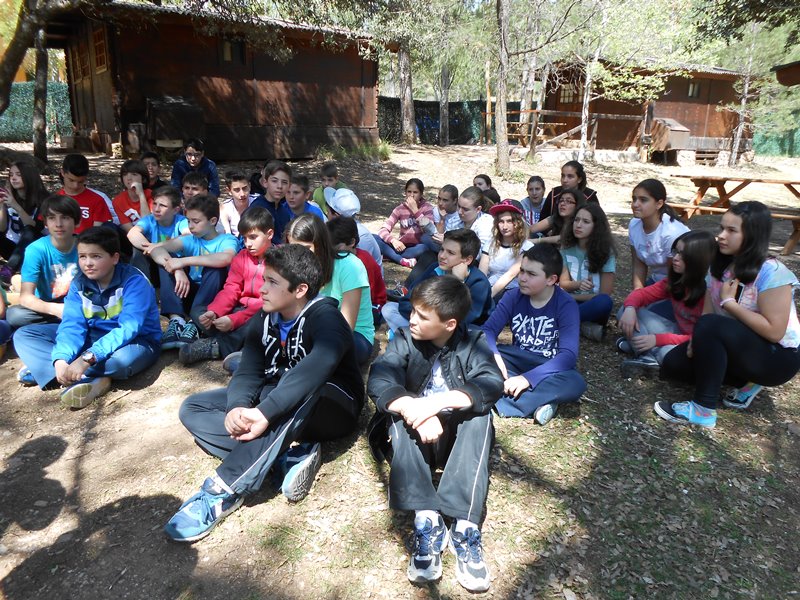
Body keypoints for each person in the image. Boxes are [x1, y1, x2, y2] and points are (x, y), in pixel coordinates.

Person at [163, 244, 364, 542]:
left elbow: (318, 367)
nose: (262, 289)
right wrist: (237, 407)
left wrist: (265, 413)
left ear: (300, 290)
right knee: (193, 408)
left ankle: (222, 491)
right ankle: (283, 458)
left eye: (272, 282)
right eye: (264, 279)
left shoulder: (326, 317)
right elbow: (249, 369)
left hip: (333, 406)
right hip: (283, 397)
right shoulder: (266, 316)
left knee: (297, 392)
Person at [367, 276, 503, 591]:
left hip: (456, 439)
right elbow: (381, 377)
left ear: (450, 324)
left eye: (422, 316)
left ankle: (465, 527)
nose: (412, 319)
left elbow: (491, 381)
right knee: (398, 416)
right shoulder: (405, 338)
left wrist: (435, 403)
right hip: (417, 439)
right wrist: (413, 409)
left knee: (481, 417)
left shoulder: (473, 341)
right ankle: (427, 519)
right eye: (413, 311)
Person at [655, 202, 800, 428]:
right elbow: (707, 312)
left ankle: (703, 410)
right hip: (738, 346)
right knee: (673, 365)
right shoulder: (719, 264)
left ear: (752, 235)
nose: (721, 236)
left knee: (711, 325)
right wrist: (695, 341)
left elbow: (774, 332)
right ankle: (745, 380)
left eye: (732, 230)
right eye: (722, 228)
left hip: (778, 358)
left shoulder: (773, 273)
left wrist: (730, 304)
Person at [13, 226, 161, 408]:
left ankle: (53, 370)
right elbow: (72, 324)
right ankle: (76, 373)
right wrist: (60, 359)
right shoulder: (79, 283)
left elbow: (128, 329)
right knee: (24, 335)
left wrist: (87, 358)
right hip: (92, 338)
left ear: (115, 258)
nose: (88, 263)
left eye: (96, 256)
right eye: (82, 256)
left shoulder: (134, 281)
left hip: (136, 341)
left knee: (122, 362)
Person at [482, 244, 587, 424]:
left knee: (575, 382)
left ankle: (499, 396)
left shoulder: (566, 304)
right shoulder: (513, 296)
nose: (522, 278)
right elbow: (489, 330)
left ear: (551, 279)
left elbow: (568, 356)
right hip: (516, 358)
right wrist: (495, 355)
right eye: (522, 271)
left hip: (548, 366)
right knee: (478, 353)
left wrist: (528, 379)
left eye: (531, 274)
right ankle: (538, 400)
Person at [179, 207, 273, 365]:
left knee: (262, 320)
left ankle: (218, 346)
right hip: (239, 308)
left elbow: (267, 302)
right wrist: (215, 312)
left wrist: (234, 320)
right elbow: (231, 289)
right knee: (198, 311)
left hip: (261, 312)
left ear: (269, 234)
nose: (248, 244)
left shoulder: (278, 260)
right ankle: (240, 343)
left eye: (253, 237)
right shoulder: (241, 257)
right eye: (244, 238)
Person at [617, 230, 716, 378]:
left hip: (690, 343)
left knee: (668, 355)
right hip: (675, 331)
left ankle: (638, 349)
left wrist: (657, 339)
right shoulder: (676, 281)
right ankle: (647, 357)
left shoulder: (709, 293)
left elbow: (701, 337)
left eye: (683, 255)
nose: (675, 258)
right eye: (676, 252)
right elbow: (641, 294)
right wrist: (630, 308)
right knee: (625, 310)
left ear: (698, 259)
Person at [147, 193, 239, 349]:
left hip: (214, 298)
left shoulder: (227, 240)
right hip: (189, 291)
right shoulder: (190, 239)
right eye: (188, 221)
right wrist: (178, 270)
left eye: (196, 221)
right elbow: (156, 250)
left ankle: (195, 323)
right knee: (167, 262)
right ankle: (176, 320)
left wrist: (183, 261)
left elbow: (226, 258)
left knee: (215, 268)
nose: (190, 226)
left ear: (213, 221)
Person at [285, 214, 375, 366]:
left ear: (320, 244)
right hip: (310, 331)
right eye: (294, 249)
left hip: (354, 336)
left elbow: (346, 327)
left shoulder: (350, 266)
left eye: (306, 248)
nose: (300, 256)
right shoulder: (296, 267)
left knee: (318, 349)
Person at [383, 228, 492, 333]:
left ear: (467, 260)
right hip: (431, 322)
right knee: (389, 309)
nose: (442, 256)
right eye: (442, 249)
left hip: (459, 330)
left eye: (451, 253)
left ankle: (411, 336)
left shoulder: (479, 282)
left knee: (470, 331)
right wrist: (427, 319)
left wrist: (458, 282)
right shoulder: (435, 269)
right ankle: (419, 338)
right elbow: (407, 300)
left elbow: (463, 320)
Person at [6, 195, 80, 330]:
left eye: (65, 217)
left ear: (76, 222)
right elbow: (26, 297)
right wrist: (54, 309)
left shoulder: (85, 246)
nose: (58, 224)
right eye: (52, 218)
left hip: (79, 303)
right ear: (45, 223)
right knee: (14, 315)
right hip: (47, 304)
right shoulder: (36, 249)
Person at [558, 202, 616, 341]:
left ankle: (560, 323)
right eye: (576, 220)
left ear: (596, 226)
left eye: (585, 221)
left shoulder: (606, 252)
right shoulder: (566, 248)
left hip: (592, 305)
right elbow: (563, 283)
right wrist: (578, 284)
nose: (578, 225)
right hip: (570, 301)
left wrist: (573, 297)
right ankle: (582, 327)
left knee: (604, 302)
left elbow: (604, 294)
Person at [629, 179, 690, 289]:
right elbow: (638, 264)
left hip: (680, 285)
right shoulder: (634, 225)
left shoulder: (671, 233)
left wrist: (646, 295)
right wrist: (637, 293)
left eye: (643, 200)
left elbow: (675, 276)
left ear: (659, 204)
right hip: (657, 281)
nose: (635, 204)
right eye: (634, 199)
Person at [327, 216, 386, 329]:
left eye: (337, 247)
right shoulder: (336, 260)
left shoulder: (363, 261)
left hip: (374, 303)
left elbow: (369, 295)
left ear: (352, 242)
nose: (332, 251)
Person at [127, 185, 190, 280]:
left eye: (163, 206)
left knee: (170, 253)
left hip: (177, 264)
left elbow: (188, 236)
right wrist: (151, 249)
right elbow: (132, 233)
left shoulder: (181, 221)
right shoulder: (150, 220)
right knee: (138, 250)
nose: (156, 209)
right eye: (155, 204)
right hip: (155, 263)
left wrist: (157, 246)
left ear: (175, 210)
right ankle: (139, 284)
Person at [0, 161, 48, 285]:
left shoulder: (44, 199)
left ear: (29, 176)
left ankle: (9, 269)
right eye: (11, 175)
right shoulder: (9, 195)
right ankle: (15, 267)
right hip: (14, 250)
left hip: (37, 248)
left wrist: (16, 206)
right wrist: (2, 206)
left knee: (29, 230)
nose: (13, 178)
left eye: (18, 175)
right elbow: (2, 228)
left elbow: (36, 228)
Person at [480, 199, 532, 301]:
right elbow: (482, 273)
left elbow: (511, 274)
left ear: (518, 222)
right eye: (501, 221)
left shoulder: (526, 247)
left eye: (509, 221)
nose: (504, 226)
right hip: (490, 286)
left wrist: (487, 298)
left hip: (514, 291)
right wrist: (480, 292)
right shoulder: (490, 244)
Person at [375, 178, 435, 268]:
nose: (411, 195)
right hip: (402, 247)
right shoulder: (400, 209)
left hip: (417, 247)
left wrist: (416, 211)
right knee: (373, 237)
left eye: (415, 192)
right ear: (405, 193)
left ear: (421, 194)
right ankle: (402, 259)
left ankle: (390, 255)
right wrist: (393, 240)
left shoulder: (427, 208)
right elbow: (383, 230)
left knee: (423, 249)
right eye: (409, 192)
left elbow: (430, 229)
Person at [57, 153, 115, 233]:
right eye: (71, 180)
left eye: (80, 181)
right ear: (62, 173)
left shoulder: (97, 200)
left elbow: (96, 232)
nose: (75, 186)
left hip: (87, 239)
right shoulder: (54, 199)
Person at [326, 188, 382, 268]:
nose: (327, 214)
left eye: (328, 212)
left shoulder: (362, 237)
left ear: (336, 216)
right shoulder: (343, 230)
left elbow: (361, 268)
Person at [247, 160, 292, 245]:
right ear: (265, 183)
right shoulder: (257, 209)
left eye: (284, 182)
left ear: (289, 186)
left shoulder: (284, 212)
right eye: (274, 181)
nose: (279, 186)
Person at [111, 160, 152, 233]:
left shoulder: (153, 196)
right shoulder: (118, 201)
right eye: (125, 174)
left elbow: (148, 224)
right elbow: (129, 230)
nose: (129, 178)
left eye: (134, 174)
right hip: (134, 236)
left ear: (143, 179)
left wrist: (141, 195)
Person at [420, 184, 460, 253]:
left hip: (454, 246)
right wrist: (442, 219)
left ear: (455, 201)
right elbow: (437, 236)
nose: (440, 203)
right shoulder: (437, 210)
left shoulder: (460, 214)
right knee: (424, 238)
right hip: (439, 244)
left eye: (445, 200)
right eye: (439, 198)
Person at [218, 171, 258, 237]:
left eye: (245, 188)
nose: (242, 194)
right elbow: (227, 235)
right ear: (229, 191)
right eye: (237, 190)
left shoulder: (258, 201)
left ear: (250, 186)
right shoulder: (225, 208)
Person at [456, 186, 494, 256]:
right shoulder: (455, 219)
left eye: (465, 209)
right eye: (458, 206)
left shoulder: (486, 223)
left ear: (478, 209)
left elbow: (481, 253)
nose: (459, 212)